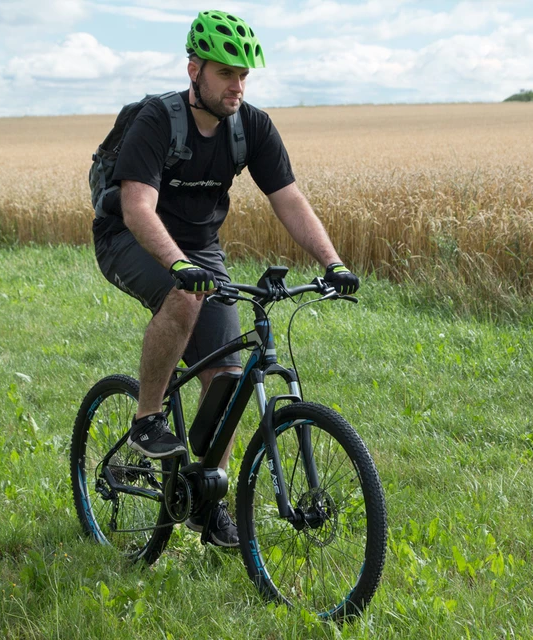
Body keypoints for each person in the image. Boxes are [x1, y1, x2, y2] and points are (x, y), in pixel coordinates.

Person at [92, 10, 359, 547]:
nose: (237, 85)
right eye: (225, 73)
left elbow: (288, 199)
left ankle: (206, 505)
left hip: (200, 249)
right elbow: (138, 206)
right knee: (183, 297)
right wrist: (179, 266)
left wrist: (334, 262)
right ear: (195, 69)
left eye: (244, 75)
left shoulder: (251, 126)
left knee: (229, 378)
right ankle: (146, 421)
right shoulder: (157, 120)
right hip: (129, 237)